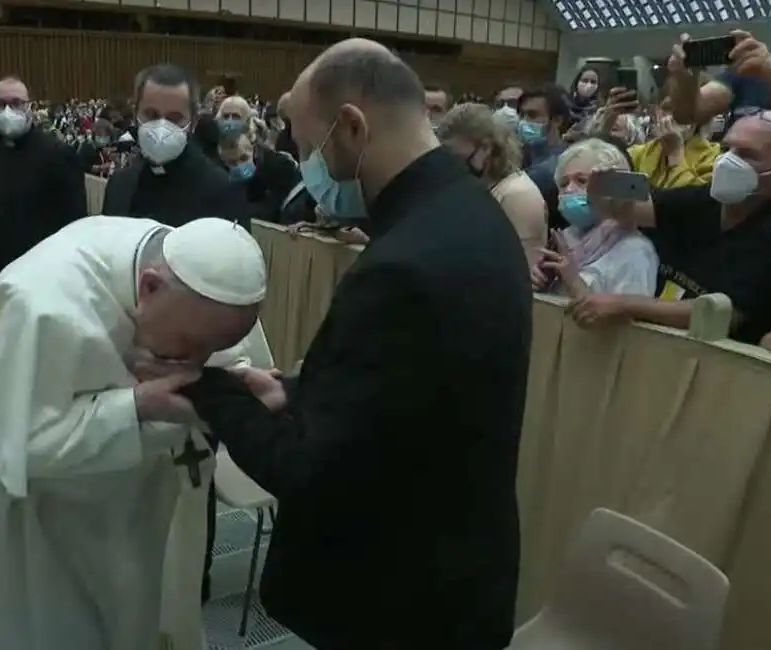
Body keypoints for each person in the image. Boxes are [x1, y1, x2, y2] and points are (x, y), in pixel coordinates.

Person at [176, 38, 532, 650]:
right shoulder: (468, 210)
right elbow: (408, 398)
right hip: (456, 566)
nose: (312, 167)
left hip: (400, 597)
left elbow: (308, 472)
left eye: (310, 147)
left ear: (351, 126)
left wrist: (208, 387)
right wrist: (293, 390)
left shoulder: (406, 264)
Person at [0, 217, 272, 650]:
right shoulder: (41, 306)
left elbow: (227, 357)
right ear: (149, 287)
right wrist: (136, 407)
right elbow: (12, 445)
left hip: (136, 514)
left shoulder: (193, 269)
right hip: (43, 528)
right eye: (192, 344)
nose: (198, 360)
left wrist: (236, 383)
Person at [569, 110, 771, 344]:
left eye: (747, 155)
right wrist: (603, 185)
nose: (727, 162)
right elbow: (637, 209)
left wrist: (620, 303)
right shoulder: (707, 200)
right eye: (725, 149)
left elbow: (722, 312)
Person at [0, 75, 87, 298]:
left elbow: (74, 224)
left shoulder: (57, 154)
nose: (8, 110)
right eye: (1, 104)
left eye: (17, 103)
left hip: (37, 279)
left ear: (30, 107)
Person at [101, 63, 252, 228]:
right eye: (151, 115)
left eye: (174, 118)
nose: (161, 127)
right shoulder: (119, 186)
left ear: (193, 122)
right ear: (135, 113)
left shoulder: (224, 193)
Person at [531, 139, 658, 298]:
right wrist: (540, 282)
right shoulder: (565, 238)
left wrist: (573, 279)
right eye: (564, 184)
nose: (569, 190)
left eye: (581, 181)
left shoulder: (635, 251)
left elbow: (628, 321)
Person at [437, 102, 547, 265]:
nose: (452, 164)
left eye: (457, 157)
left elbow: (523, 269)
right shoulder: (477, 186)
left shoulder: (518, 195)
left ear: (486, 148)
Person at [669, 24, 771, 132]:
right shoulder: (752, 66)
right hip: (738, 152)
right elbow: (689, 115)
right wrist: (685, 80)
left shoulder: (767, 68)